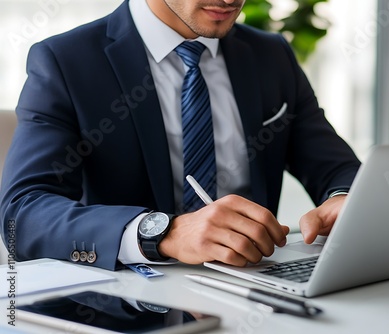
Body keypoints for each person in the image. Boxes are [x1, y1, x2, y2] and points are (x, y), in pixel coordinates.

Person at [0, 0, 361, 271]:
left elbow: (336, 167)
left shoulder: (271, 55)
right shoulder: (66, 61)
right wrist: (160, 233)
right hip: (130, 307)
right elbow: (23, 213)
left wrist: (346, 199)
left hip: (256, 291)